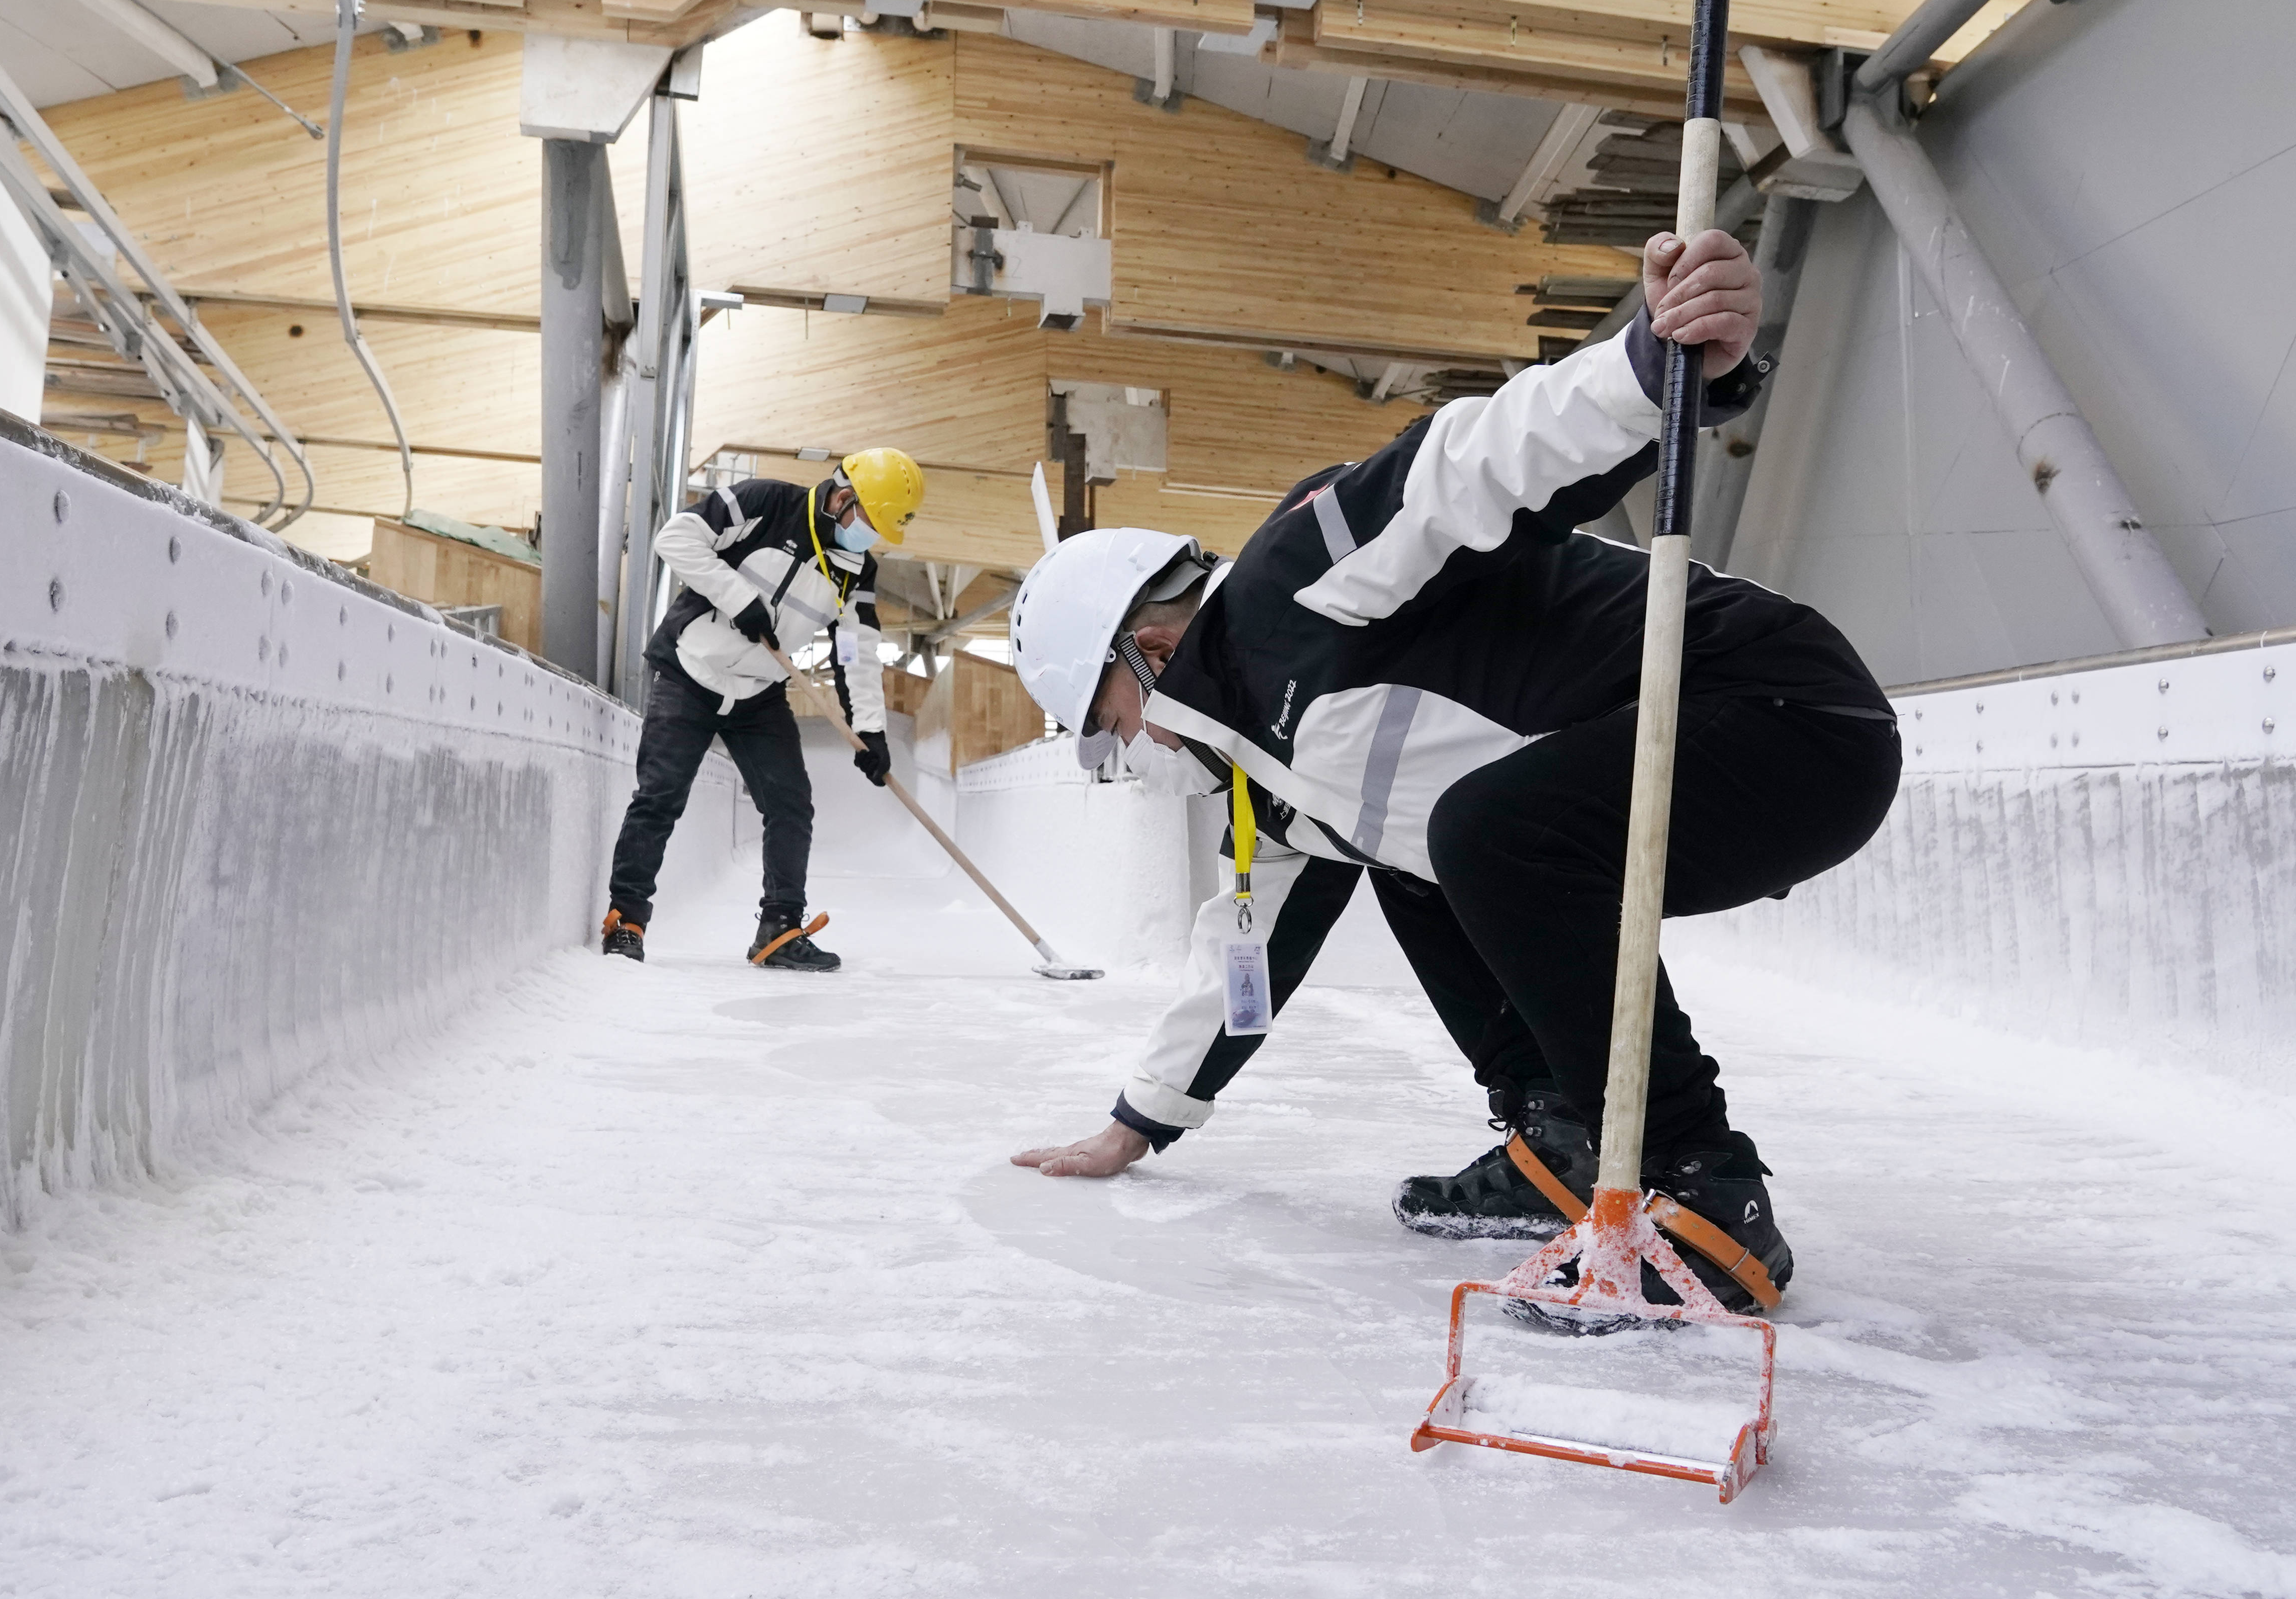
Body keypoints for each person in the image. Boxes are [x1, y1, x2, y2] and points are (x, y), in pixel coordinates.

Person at [1003, 230, 1898, 1312]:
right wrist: (1134, 1123)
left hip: (1776, 717)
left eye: (1111, 719)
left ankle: (1702, 1191)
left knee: (1478, 830)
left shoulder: (1294, 583)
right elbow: (1245, 958)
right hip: (1673, 769)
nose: (1134, 751)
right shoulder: (1274, 785)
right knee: (1421, 845)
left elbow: (1472, 464)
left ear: (1144, 652)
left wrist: (1653, 367)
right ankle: (1555, 1141)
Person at [599, 448, 925, 971]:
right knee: (660, 796)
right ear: (843, 498)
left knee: (790, 804)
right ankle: (626, 920)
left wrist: (871, 731)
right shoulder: (766, 503)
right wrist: (739, 600)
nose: (872, 537)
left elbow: (854, 650)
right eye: (870, 521)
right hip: (692, 672)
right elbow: (675, 538)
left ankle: (779, 927)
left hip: (758, 694)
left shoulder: (854, 573)